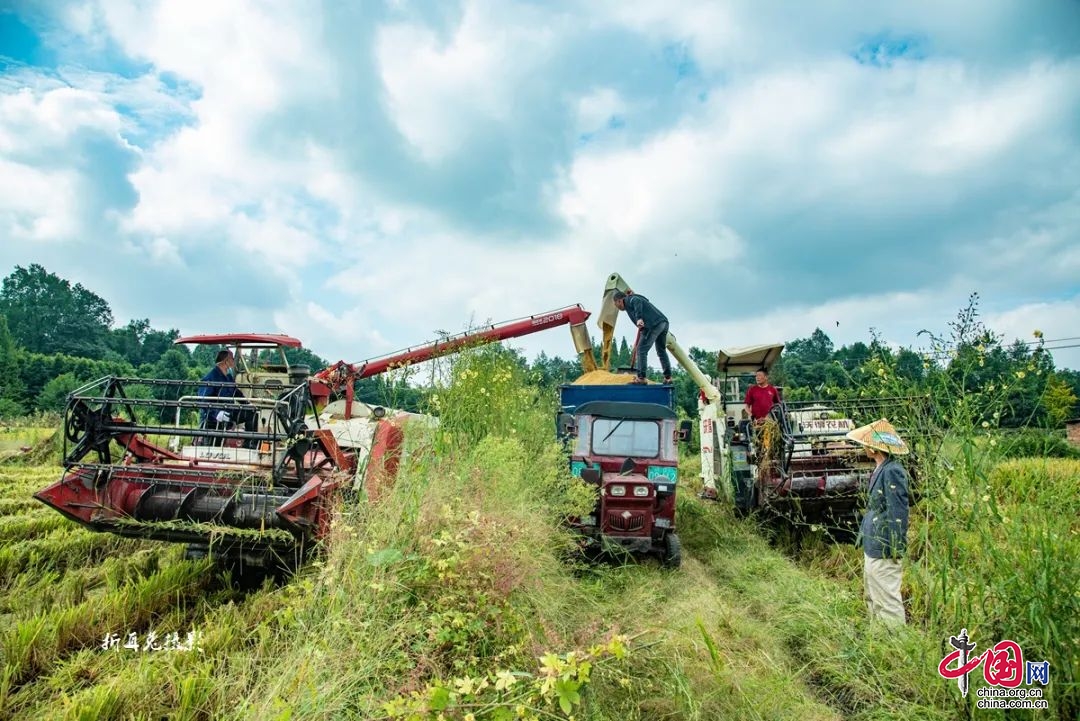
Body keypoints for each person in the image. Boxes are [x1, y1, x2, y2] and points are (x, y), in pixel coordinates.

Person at [846, 418, 910, 626]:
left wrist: (893, 548)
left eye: (866, 444)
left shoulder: (892, 471)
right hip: (873, 544)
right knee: (873, 596)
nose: (864, 447)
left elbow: (898, 512)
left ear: (874, 448)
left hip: (884, 546)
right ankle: (879, 642)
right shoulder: (880, 468)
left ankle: (896, 645)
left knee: (887, 601)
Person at [198, 350, 257, 446]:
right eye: (232, 359)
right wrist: (216, 413)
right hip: (214, 419)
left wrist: (247, 404)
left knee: (251, 413)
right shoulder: (210, 378)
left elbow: (236, 392)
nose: (234, 361)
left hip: (229, 412)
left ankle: (250, 445)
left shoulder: (228, 377)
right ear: (226, 361)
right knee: (214, 445)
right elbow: (203, 400)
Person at [612, 290, 672, 385]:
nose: (617, 307)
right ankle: (668, 377)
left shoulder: (630, 300)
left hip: (653, 324)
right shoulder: (632, 299)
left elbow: (637, 301)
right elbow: (642, 300)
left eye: (616, 304)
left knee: (641, 350)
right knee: (661, 351)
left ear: (619, 300)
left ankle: (641, 378)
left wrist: (639, 318)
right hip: (663, 323)